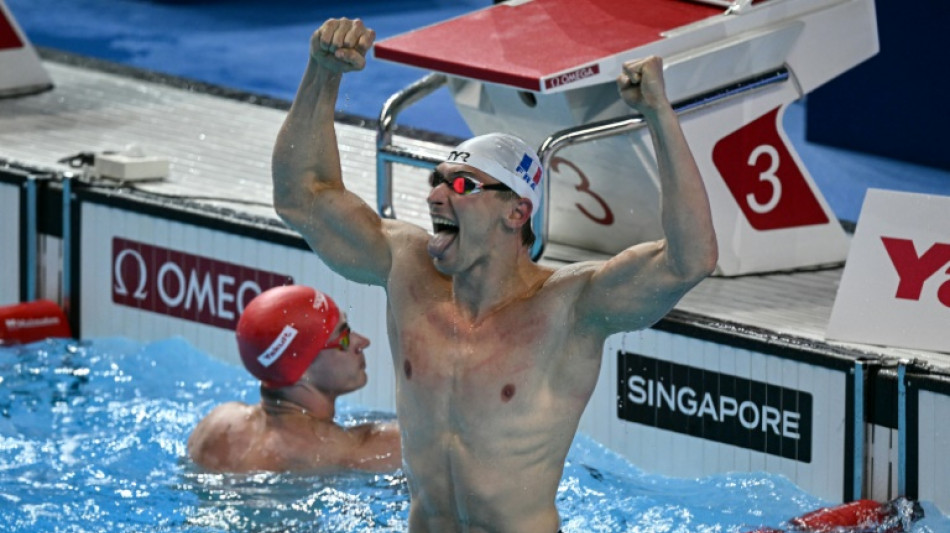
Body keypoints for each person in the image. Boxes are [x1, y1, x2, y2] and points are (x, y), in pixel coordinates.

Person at [271, 17, 718, 533]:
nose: (437, 195)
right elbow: (301, 197)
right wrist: (322, 74)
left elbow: (691, 260)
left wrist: (658, 116)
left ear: (516, 213)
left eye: (463, 184)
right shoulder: (405, 269)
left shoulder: (571, 309)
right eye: (437, 181)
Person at [187, 284, 402, 473]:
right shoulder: (339, 450)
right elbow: (428, 443)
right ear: (301, 370)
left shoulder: (217, 424)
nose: (362, 342)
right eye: (343, 338)